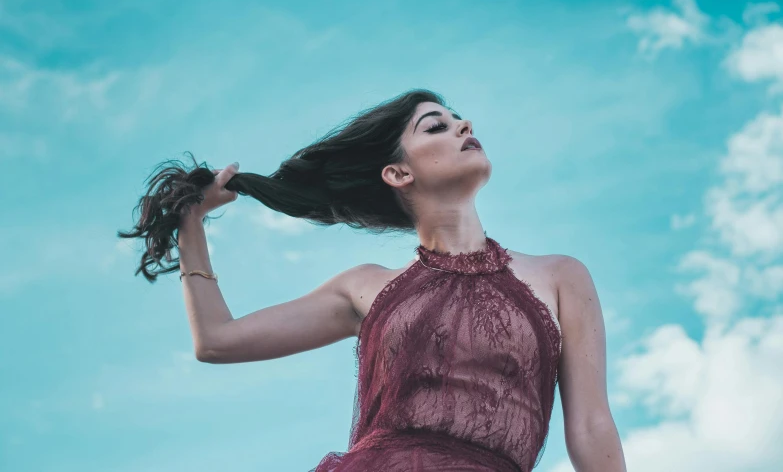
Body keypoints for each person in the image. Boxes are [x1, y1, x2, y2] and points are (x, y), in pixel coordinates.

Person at [118, 89, 626, 471]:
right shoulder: (365, 287)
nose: (463, 124)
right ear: (398, 174)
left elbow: (590, 426)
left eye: (457, 119)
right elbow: (216, 341)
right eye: (436, 127)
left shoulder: (561, 276)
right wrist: (191, 224)